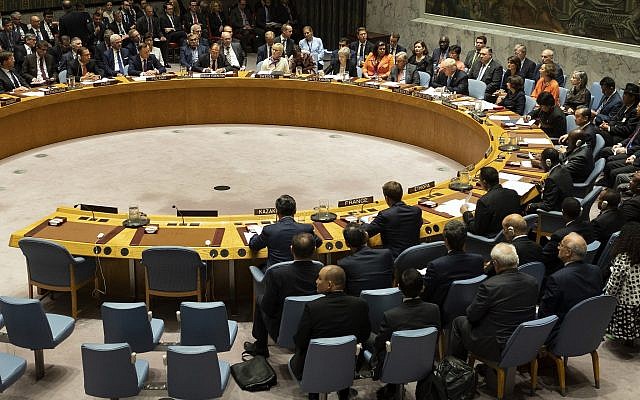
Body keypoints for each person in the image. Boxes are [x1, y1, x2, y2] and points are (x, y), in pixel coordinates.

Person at [290, 265, 371, 399]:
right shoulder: (360, 304)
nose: (316, 281)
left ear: (329, 285)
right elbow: (364, 335)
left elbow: (300, 341)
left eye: (319, 278)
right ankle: (344, 392)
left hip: (315, 367)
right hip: (349, 364)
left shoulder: (313, 307)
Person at [448, 243, 538, 362]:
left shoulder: (490, 286)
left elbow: (472, 316)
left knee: (458, 322)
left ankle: (457, 372)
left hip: (496, 345)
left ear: (495, 263)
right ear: (517, 260)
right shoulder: (532, 282)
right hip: (522, 340)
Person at [244, 232, 322, 358]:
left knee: (260, 300)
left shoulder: (277, 273)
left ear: (291, 249)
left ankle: (260, 347)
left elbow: (268, 307)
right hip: (312, 327)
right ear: (314, 250)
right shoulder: (321, 270)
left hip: (281, 330)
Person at [372, 268, 440, 399]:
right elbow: (434, 340)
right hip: (424, 363)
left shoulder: (391, 316)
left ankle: (391, 386)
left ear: (399, 288)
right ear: (422, 288)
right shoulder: (434, 309)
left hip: (394, 365)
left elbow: (379, 344)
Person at [539, 232, 602, 340]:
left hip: (562, 335)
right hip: (589, 331)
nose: (558, 247)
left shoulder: (557, 278)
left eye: (561, 245)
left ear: (568, 252)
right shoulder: (596, 271)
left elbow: (544, 314)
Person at [422, 220, 484, 308]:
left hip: (442, 312)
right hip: (470, 306)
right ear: (466, 239)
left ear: (446, 241)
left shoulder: (436, 266)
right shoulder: (478, 260)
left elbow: (426, 295)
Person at [249, 194, 321, 269]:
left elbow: (254, 246)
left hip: (276, 275)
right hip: (302, 274)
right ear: (295, 211)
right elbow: (318, 242)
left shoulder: (269, 230)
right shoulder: (306, 229)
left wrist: (254, 235)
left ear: (277, 212)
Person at [364, 181, 422, 258]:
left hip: (395, 260)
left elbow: (366, 233)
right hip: (414, 257)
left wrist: (367, 223)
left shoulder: (385, 215)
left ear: (387, 198)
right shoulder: (416, 211)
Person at [605, 221, 640, 343]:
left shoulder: (623, 258)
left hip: (626, 303)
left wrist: (606, 295)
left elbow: (614, 283)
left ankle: (617, 334)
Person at [461, 166, 521, 236]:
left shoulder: (483, 202)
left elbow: (477, 229)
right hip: (511, 233)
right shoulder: (513, 193)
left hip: (492, 239)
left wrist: (466, 213)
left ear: (484, 182)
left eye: (479, 180)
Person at [336, 223, 393, 296]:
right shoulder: (386, 254)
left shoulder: (343, 263)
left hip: (359, 305)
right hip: (388, 301)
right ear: (366, 237)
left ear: (347, 244)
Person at [542, 198, 596, 274]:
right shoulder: (589, 226)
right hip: (581, 265)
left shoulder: (560, 235)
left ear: (563, 213)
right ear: (580, 213)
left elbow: (545, 257)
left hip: (557, 270)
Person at [526, 147, 573, 213]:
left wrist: (531, 205)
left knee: (527, 204)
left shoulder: (551, 179)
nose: (541, 164)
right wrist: (543, 186)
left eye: (541, 161)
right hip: (564, 201)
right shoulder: (563, 168)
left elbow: (547, 205)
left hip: (559, 210)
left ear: (548, 162)